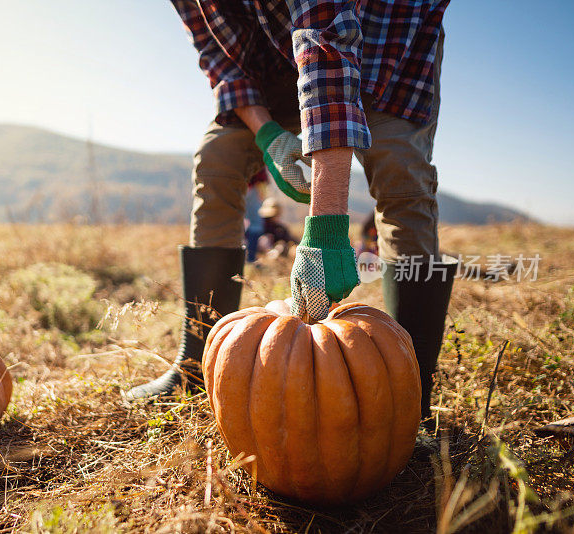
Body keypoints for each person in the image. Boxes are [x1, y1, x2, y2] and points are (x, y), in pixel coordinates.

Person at [127, 0, 455, 425]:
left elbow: (327, 49)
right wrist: (267, 134)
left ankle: (410, 394)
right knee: (218, 156)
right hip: (274, 63)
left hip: (387, 41)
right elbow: (222, 64)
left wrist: (326, 226)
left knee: (401, 173)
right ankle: (196, 365)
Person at [244, 168, 269, 263]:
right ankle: (250, 258)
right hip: (253, 187)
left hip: (248, 187)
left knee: (251, 224)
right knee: (255, 225)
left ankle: (249, 257)